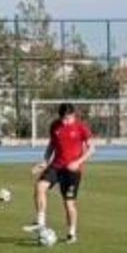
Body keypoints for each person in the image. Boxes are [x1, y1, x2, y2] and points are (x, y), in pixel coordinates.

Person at [23, 103, 94, 244]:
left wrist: (78, 162)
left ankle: (71, 233)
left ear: (73, 115)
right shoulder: (55, 125)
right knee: (40, 186)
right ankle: (41, 222)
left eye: (67, 119)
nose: (64, 122)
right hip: (56, 166)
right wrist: (45, 161)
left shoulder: (81, 127)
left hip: (72, 170)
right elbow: (52, 145)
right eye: (62, 118)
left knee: (69, 204)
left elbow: (92, 149)